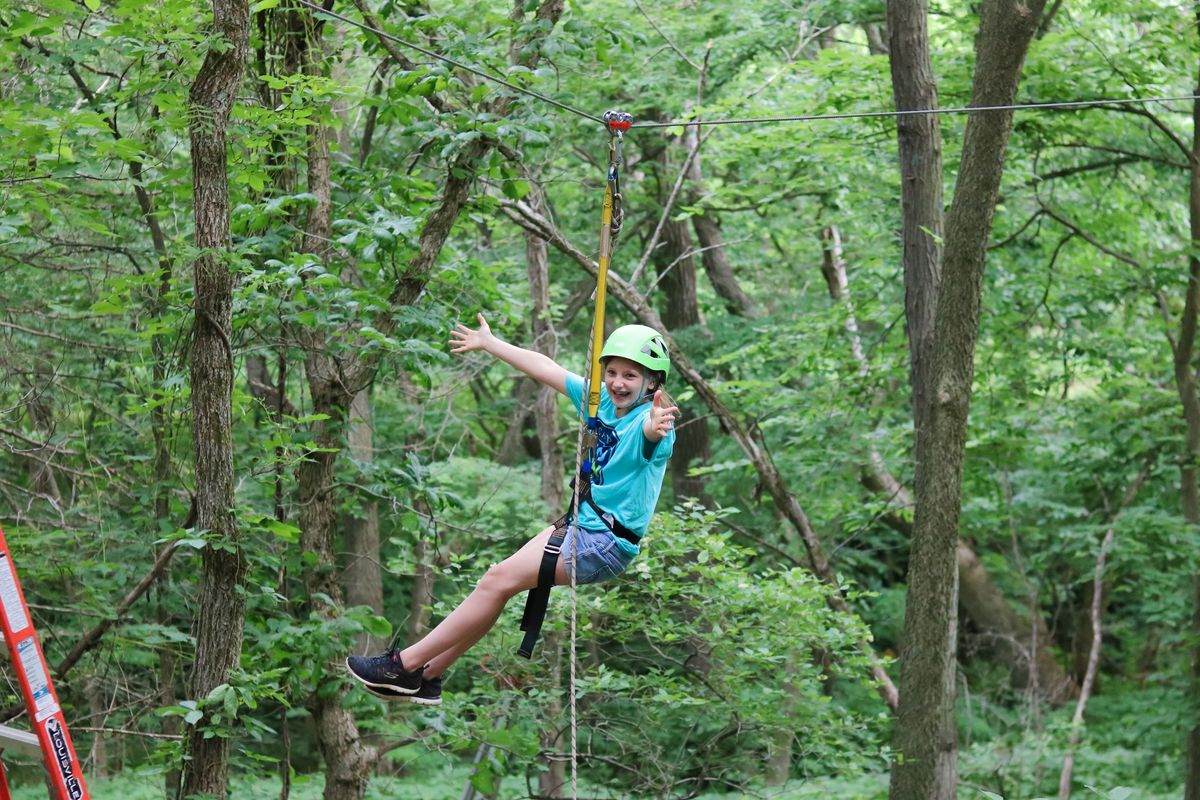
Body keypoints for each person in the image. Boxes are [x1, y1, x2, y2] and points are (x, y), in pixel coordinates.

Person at [346, 314, 678, 705]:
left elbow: (650, 436)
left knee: (496, 581)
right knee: (495, 582)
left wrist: (655, 427)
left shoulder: (651, 424)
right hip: (581, 526)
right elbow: (547, 368)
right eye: (613, 372)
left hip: (604, 541)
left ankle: (403, 665)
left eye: (631, 377)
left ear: (652, 382)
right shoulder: (600, 402)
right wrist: (491, 343)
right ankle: (427, 675)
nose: (618, 383)